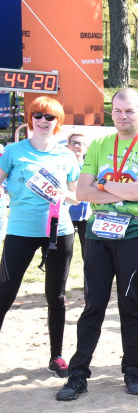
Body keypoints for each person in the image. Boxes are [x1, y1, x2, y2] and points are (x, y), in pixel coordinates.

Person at [57, 89, 138, 401]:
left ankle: (132, 369)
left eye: (129, 111)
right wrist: (121, 189)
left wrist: (103, 185)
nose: (122, 116)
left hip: (136, 231)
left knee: (130, 302)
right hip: (98, 233)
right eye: (117, 111)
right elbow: (83, 193)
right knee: (94, 303)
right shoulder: (101, 144)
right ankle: (78, 375)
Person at [0, 98, 80, 377]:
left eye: (49, 117)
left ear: (58, 122)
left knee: (55, 296)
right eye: (38, 115)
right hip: (20, 230)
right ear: (30, 118)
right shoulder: (13, 151)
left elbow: (76, 194)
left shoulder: (66, 156)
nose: (43, 121)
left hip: (59, 230)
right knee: (5, 292)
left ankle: (56, 357)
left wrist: (62, 193)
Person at [65, 133, 90, 250]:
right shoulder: (60, 166)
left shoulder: (91, 167)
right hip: (64, 215)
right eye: (73, 143)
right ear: (67, 146)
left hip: (86, 216)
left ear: (86, 148)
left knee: (88, 253)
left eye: (80, 143)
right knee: (63, 252)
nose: (76, 146)